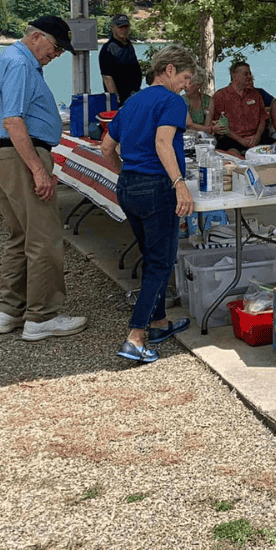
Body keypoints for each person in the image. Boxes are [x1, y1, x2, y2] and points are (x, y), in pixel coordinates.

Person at [101, 44, 196, 364]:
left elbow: (106, 147)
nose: (186, 85)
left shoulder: (131, 102)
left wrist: (127, 173)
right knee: (161, 262)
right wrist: (179, 185)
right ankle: (136, 336)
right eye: (185, 77)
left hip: (129, 185)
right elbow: (162, 142)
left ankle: (158, 323)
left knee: (150, 255)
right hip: (157, 187)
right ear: (168, 70)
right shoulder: (172, 101)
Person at [0, 16, 88, 342]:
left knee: (21, 236)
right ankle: (42, 316)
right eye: (56, 47)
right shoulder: (19, 63)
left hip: (9, 156)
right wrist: (39, 170)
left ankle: (9, 310)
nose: (58, 54)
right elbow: (12, 120)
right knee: (44, 237)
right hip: (21, 153)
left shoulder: (10, 60)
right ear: (36, 37)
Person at [205, 60, 267, 157]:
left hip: (255, 137)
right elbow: (219, 124)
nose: (249, 77)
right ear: (234, 76)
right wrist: (241, 140)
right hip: (231, 139)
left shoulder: (255, 94)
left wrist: (257, 136)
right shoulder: (221, 95)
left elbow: (263, 118)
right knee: (234, 156)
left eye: (250, 73)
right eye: (246, 74)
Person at [98, 13, 142, 106]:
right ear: (112, 27)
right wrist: (116, 100)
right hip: (121, 100)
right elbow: (107, 77)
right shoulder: (108, 49)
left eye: (126, 27)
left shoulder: (129, 45)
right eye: (120, 27)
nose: (124, 30)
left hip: (135, 95)